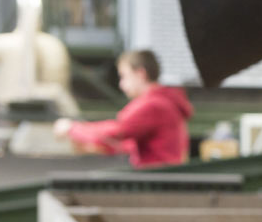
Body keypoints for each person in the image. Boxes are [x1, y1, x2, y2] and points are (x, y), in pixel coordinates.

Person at [54, 50, 193, 168]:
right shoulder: (164, 102)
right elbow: (129, 145)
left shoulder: (154, 105)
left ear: (140, 74)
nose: (121, 84)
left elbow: (118, 130)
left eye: (124, 76)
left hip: (156, 180)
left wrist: (72, 129)